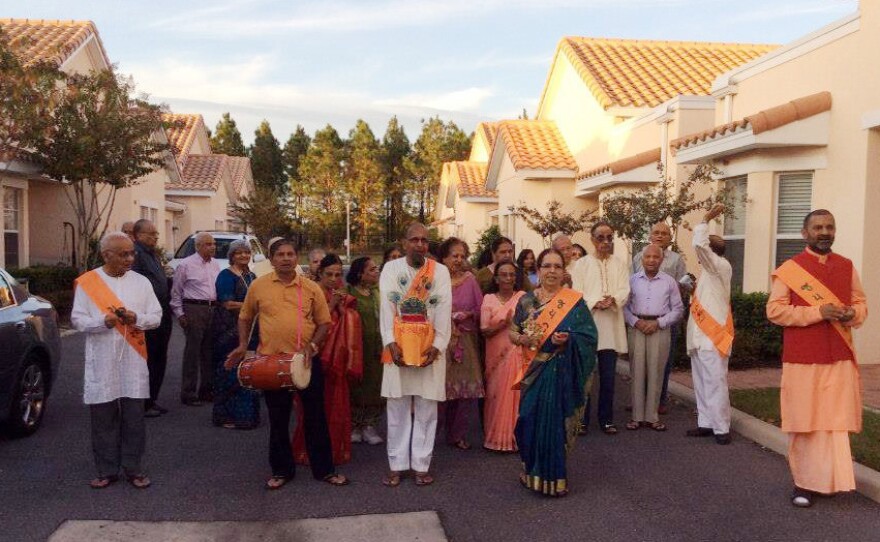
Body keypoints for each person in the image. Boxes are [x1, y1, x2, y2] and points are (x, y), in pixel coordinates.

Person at [225, 238, 349, 489]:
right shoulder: (259, 286)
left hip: (305, 362)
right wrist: (242, 345)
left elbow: (324, 322)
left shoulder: (310, 288)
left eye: (290, 254)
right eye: (280, 254)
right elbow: (245, 317)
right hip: (272, 364)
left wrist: (313, 346)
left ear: (296, 258)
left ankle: (324, 470)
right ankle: (282, 470)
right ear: (271, 259)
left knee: (316, 417)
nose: (286, 258)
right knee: (278, 419)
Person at [766, 209, 867, 508]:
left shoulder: (847, 266)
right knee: (806, 421)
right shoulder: (791, 269)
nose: (824, 232)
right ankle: (804, 484)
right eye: (818, 227)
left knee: (834, 422)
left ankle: (832, 481)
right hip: (803, 359)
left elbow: (860, 303)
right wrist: (817, 312)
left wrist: (852, 314)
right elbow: (775, 310)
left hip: (838, 356)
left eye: (829, 227)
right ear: (805, 233)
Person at [71, 232, 162, 489]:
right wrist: (103, 322)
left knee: (134, 417)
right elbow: (77, 320)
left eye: (131, 253)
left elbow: (156, 316)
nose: (130, 258)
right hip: (102, 359)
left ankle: (134, 468)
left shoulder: (142, 282)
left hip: (133, 359)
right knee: (103, 417)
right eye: (123, 254)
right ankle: (106, 470)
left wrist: (137, 318)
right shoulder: (88, 283)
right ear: (106, 255)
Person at [512, 248, 597, 497]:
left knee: (555, 424)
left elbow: (590, 336)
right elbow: (512, 332)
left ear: (564, 271)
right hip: (533, 370)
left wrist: (569, 339)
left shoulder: (574, 302)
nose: (551, 271)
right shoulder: (526, 301)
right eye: (546, 266)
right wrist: (524, 338)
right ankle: (530, 470)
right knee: (528, 419)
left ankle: (555, 477)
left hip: (560, 370)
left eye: (557, 266)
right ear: (538, 270)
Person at [379, 222, 452, 487]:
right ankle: (397, 464)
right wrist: (390, 342)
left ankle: (421, 465)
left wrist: (439, 345)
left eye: (424, 240)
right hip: (398, 347)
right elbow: (386, 310)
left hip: (428, 347)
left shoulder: (440, 272)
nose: (420, 244)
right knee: (396, 407)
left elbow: (444, 309)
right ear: (404, 242)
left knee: (426, 409)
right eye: (414, 240)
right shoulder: (391, 269)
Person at [293, 253, 363, 466]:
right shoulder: (312, 293)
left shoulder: (342, 294)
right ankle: (307, 451)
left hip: (337, 360)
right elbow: (309, 325)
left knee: (336, 406)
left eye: (337, 274)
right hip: (317, 356)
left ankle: (333, 451)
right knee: (314, 408)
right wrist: (332, 305)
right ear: (320, 274)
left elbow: (351, 321)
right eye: (329, 274)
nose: (334, 278)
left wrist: (344, 309)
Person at [571, 222, 630, 435]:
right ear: (592, 239)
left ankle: (606, 419)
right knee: (585, 377)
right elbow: (577, 293)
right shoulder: (582, 264)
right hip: (588, 327)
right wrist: (595, 302)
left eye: (609, 237)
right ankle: (582, 421)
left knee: (608, 378)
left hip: (611, 328)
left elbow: (625, 289)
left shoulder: (620, 264)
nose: (605, 242)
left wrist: (613, 300)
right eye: (601, 237)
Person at [686, 205, 735, 445]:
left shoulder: (720, 267)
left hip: (713, 337)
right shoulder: (708, 273)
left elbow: (699, 245)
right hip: (699, 337)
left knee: (715, 382)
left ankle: (721, 427)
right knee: (701, 383)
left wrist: (705, 220)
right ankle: (706, 423)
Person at [623, 245, 684, 431]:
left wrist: (659, 323)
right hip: (637, 328)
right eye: (647, 256)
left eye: (655, 257)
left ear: (661, 260)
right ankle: (636, 417)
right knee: (637, 371)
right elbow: (623, 306)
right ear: (642, 259)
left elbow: (678, 309)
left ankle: (652, 417)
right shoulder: (631, 281)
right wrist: (635, 321)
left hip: (660, 328)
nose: (651, 260)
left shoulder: (669, 282)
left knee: (657, 372)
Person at [633, 221, 689, 415]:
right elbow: (632, 285)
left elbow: (684, 284)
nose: (659, 236)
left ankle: (659, 400)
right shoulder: (639, 256)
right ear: (650, 235)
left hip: (665, 318)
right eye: (656, 233)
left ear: (670, 238)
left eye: (664, 234)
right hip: (640, 319)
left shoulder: (676, 259)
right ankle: (640, 401)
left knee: (662, 362)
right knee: (640, 363)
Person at [437, 237, 484, 451]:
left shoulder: (470, 280)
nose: (458, 260)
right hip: (439, 339)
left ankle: (458, 434)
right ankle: (432, 434)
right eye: (454, 256)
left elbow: (481, 309)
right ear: (444, 258)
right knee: (439, 390)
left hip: (464, 340)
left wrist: (467, 314)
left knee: (464, 390)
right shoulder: (435, 280)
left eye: (462, 256)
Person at [211, 240, 260, 429]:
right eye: (238, 253)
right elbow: (227, 304)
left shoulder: (252, 276)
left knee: (249, 370)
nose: (243, 256)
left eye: (246, 252)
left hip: (251, 330)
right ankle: (225, 416)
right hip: (228, 331)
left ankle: (247, 417)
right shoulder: (225, 275)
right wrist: (253, 307)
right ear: (231, 256)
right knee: (229, 371)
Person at [480, 261, 526, 451]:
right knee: (495, 395)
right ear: (496, 279)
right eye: (504, 275)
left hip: (517, 354)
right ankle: (494, 439)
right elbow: (484, 331)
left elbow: (530, 324)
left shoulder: (523, 298)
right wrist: (503, 324)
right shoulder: (488, 299)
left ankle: (513, 439)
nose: (508, 278)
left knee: (515, 396)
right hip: (495, 356)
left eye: (512, 275)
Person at [171, 232, 220, 405]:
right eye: (208, 244)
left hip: (212, 309)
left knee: (209, 352)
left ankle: (206, 390)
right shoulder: (186, 264)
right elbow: (176, 292)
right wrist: (180, 314)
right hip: (194, 309)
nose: (212, 247)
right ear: (198, 246)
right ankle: (188, 393)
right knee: (192, 353)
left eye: (213, 244)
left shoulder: (215, 265)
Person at [131, 219, 172, 418]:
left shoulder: (153, 255)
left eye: (156, 234)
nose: (156, 237)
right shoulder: (136, 255)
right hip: (147, 315)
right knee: (150, 359)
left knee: (160, 358)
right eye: (151, 234)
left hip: (162, 313)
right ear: (138, 235)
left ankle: (152, 398)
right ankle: (144, 402)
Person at [346, 256, 385, 445]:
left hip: (377, 348)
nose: (376, 272)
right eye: (371, 270)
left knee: (375, 386)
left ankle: (370, 425)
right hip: (356, 348)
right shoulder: (349, 293)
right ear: (360, 274)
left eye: (377, 268)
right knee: (356, 386)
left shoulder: (379, 292)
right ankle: (355, 425)